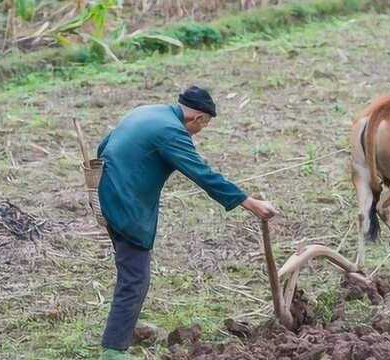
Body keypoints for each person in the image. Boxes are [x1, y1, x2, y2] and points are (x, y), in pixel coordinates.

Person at [96, 86, 278, 359]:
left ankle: (125, 329)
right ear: (198, 119)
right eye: (204, 124)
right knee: (135, 278)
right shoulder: (171, 131)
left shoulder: (147, 112)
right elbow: (202, 174)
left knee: (131, 272)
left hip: (110, 193)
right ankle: (113, 351)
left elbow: (104, 145)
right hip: (126, 205)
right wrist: (249, 202)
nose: (201, 130)